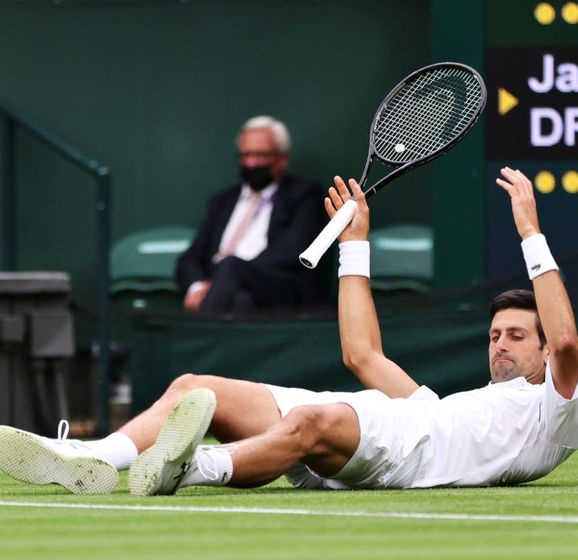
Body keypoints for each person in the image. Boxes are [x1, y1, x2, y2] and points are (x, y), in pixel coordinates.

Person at [0, 168, 577, 495]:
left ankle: (192, 467)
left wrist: (529, 230)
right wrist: (354, 246)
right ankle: (91, 456)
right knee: (196, 386)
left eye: (517, 336)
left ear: (547, 350)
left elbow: (570, 342)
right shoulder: (442, 408)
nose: (499, 343)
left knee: (309, 422)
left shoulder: (555, 407)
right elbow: (361, 353)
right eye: (495, 333)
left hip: (407, 456)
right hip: (389, 423)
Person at [174, 115, 326, 312]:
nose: (251, 164)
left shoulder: (304, 196)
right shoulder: (222, 201)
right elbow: (190, 258)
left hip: (277, 289)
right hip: (227, 292)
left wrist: (231, 273)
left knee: (230, 267)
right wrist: (198, 288)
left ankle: (199, 337)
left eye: (260, 155)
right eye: (245, 155)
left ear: (282, 158)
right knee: (240, 300)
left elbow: (291, 252)